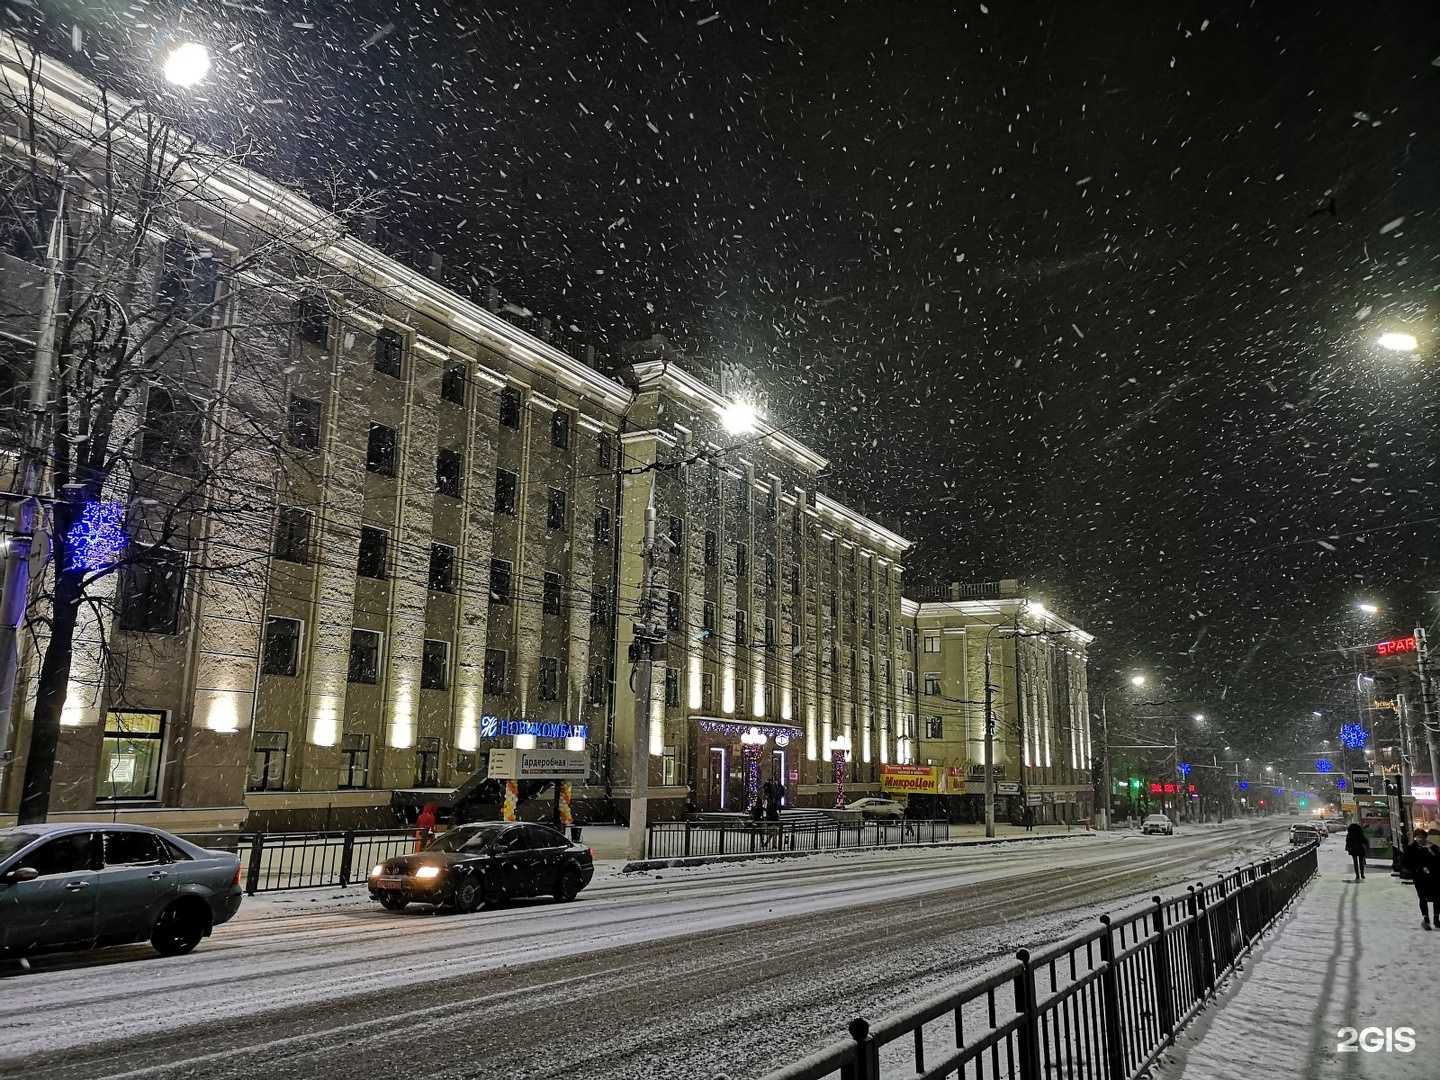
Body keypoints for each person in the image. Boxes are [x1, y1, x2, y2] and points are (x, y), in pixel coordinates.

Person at [1401, 828, 1440, 928]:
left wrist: (1431, 852)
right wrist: (1418, 869)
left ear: (1425, 837)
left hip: (1434, 877)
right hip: (1420, 878)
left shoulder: (1433, 847)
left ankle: (1436, 919)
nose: (1420, 839)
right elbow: (1406, 863)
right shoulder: (1411, 849)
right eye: (1418, 837)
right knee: (1422, 898)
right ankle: (1426, 919)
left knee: (1437, 898)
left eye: (1422, 837)